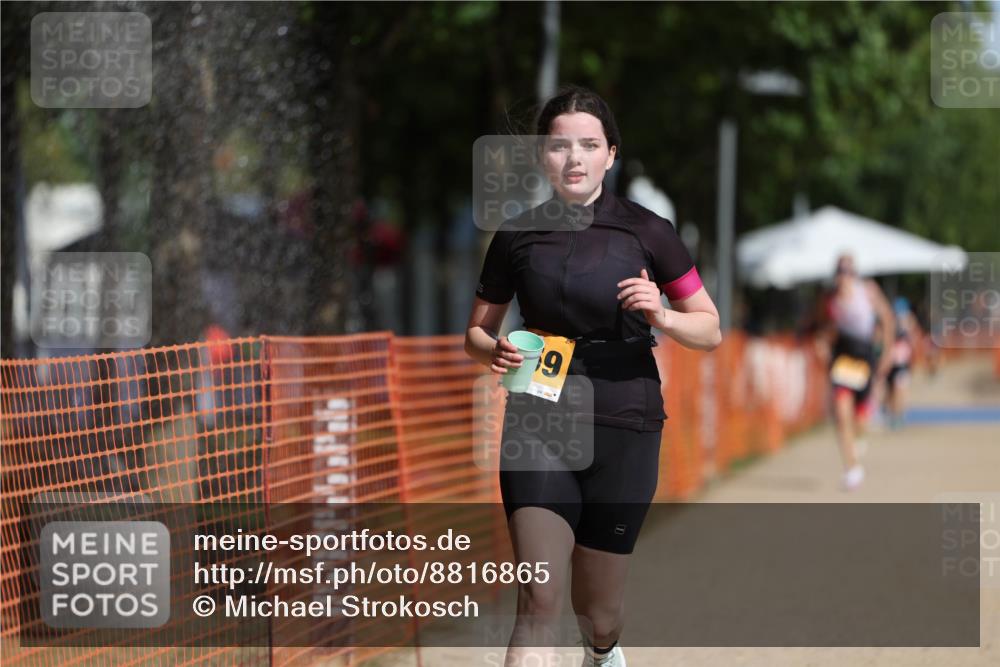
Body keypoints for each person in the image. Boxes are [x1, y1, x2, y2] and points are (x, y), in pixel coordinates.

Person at [464, 86, 721, 667]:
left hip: (625, 421)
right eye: (559, 146)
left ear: (611, 154)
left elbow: (710, 328)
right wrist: (495, 352)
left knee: (598, 612)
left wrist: (663, 315)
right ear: (542, 157)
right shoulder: (516, 234)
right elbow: (476, 334)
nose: (573, 158)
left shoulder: (648, 231)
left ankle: (602, 653)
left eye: (588, 145)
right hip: (539, 417)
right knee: (538, 598)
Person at [815, 254, 894, 491]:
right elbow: (820, 323)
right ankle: (852, 468)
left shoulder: (868, 291)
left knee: (860, 418)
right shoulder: (830, 298)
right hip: (843, 357)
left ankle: (858, 437)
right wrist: (821, 342)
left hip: (865, 357)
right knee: (841, 411)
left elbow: (888, 319)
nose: (843, 276)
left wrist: (887, 354)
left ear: (854, 273)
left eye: (848, 271)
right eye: (840, 271)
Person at [883, 297, 922, 430]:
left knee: (900, 389)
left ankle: (898, 415)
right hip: (891, 362)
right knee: (891, 391)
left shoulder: (910, 323)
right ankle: (893, 414)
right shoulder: (890, 323)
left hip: (903, 363)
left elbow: (914, 342)